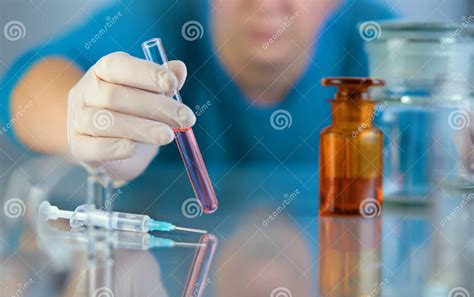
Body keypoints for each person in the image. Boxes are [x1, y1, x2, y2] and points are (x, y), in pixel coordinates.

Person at [1, 0, 397, 185]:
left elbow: (447, 136)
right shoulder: (157, 19)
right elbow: (23, 90)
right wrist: (81, 123)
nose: (267, 5)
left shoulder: (382, 42)